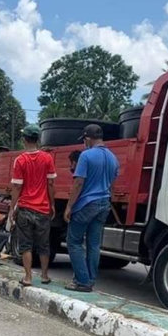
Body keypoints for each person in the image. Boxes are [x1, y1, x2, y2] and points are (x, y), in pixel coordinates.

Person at [63, 124, 119, 292]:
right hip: (104, 203)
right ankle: (90, 279)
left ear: (87, 138)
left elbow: (79, 182)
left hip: (87, 204)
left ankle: (81, 281)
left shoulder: (86, 156)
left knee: (74, 242)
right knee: (94, 244)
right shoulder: (113, 158)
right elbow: (112, 184)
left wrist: (69, 207)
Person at [10, 124, 56, 287]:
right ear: (38, 139)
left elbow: (16, 187)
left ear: (24, 140)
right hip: (43, 208)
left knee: (26, 245)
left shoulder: (20, 160)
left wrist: (12, 209)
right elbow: (51, 184)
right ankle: (44, 275)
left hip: (25, 208)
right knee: (44, 245)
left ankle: (28, 277)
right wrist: (52, 204)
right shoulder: (48, 158)